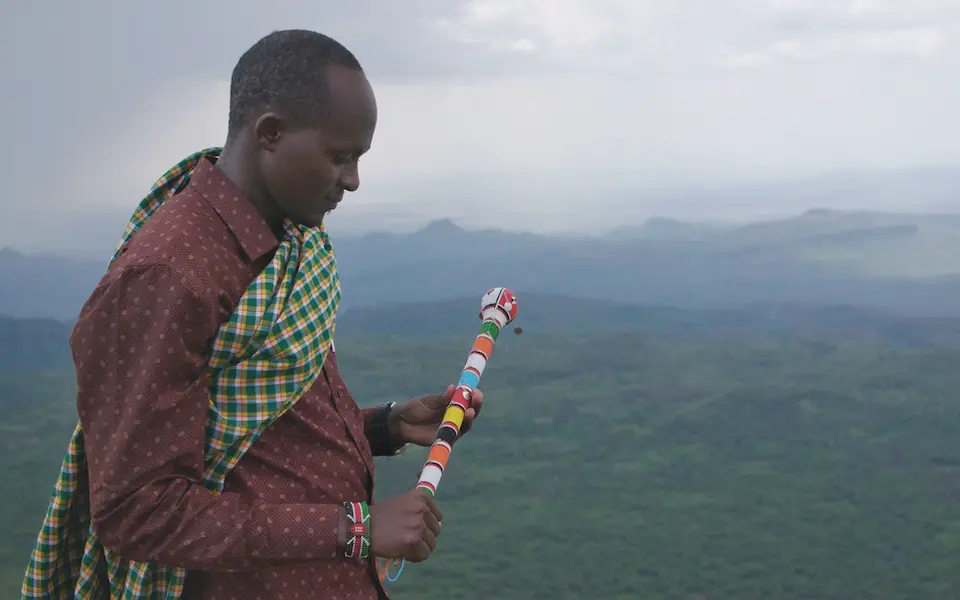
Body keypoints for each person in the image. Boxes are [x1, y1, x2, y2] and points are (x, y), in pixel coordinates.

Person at [21, 29, 483, 600]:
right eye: (340, 157)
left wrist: (388, 426)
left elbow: (252, 434)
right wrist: (357, 527)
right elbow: (136, 510)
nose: (353, 181)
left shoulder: (286, 238)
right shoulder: (170, 274)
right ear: (270, 134)